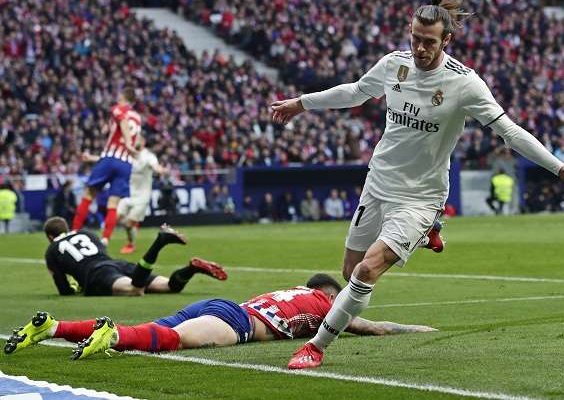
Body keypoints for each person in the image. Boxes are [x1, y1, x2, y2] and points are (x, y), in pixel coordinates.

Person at [271, 0, 564, 369]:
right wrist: (301, 103)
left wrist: (563, 170)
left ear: (447, 40)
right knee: (349, 273)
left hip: (421, 196)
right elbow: (354, 92)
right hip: (378, 184)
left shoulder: (465, 84)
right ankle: (431, 230)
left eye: (429, 41)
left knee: (366, 272)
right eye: (415, 38)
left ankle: (315, 347)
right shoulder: (393, 64)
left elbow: (510, 133)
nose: (420, 48)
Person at [4, 274, 435, 359]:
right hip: (237, 323)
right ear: (330, 295)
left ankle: (53, 327)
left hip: (226, 305)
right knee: (170, 341)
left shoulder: (296, 292)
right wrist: (416, 328)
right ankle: (110, 337)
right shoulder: (327, 304)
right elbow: (371, 327)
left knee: (157, 329)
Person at [41, 216, 226, 297]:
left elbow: (63, 287)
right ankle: (191, 268)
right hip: (116, 264)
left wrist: (76, 289)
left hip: (97, 274)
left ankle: (159, 242)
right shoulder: (86, 233)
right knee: (169, 287)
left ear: (50, 236)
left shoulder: (52, 250)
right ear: (65, 228)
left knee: (134, 290)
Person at [71, 88, 141, 247]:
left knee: (88, 193)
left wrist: (127, 142)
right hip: (125, 164)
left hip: (110, 159)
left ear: (123, 97)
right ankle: (105, 239)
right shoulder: (137, 118)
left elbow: (121, 121)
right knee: (113, 203)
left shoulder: (118, 109)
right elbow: (132, 139)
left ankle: (73, 232)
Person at [84, 135, 169, 254]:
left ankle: (131, 244)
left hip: (142, 196)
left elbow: (155, 167)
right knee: (115, 216)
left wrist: (161, 170)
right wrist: (90, 158)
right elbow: (106, 159)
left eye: (137, 139)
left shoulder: (148, 156)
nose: (134, 141)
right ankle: (106, 239)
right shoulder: (127, 154)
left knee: (128, 224)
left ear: (143, 142)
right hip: (127, 193)